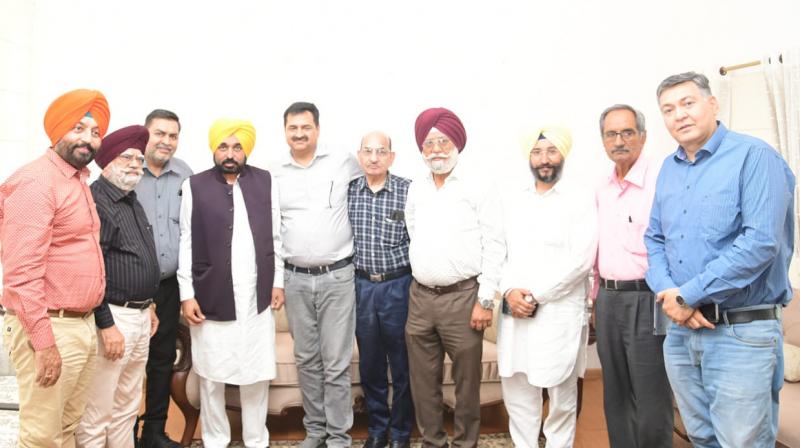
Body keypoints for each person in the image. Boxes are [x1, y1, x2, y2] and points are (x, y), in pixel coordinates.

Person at [645, 71, 795, 447]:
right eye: (668, 109)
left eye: (688, 103)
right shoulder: (668, 169)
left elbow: (760, 243)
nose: (679, 114)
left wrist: (688, 295)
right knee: (701, 438)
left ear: (713, 104)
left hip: (741, 333)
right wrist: (670, 294)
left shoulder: (755, 156)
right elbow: (655, 239)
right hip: (681, 332)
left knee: (741, 442)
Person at [0, 88, 110, 447]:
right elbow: (21, 274)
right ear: (57, 130)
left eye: (95, 132)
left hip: (80, 324)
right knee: (42, 437)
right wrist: (44, 343)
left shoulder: (77, 181)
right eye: (78, 128)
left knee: (66, 429)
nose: (88, 139)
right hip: (49, 326)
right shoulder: (36, 182)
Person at [177, 119, 284, 448]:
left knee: (255, 373)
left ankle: (256, 439)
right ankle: (215, 440)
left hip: (255, 294)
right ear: (214, 149)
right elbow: (186, 242)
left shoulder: (266, 181)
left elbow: (276, 236)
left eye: (237, 147)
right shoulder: (194, 186)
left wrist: (277, 282)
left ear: (246, 150)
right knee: (211, 375)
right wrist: (186, 294)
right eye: (223, 146)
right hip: (210, 293)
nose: (230, 153)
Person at [404, 107, 503, 448]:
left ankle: (465, 444)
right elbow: (413, 232)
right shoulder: (416, 188)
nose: (436, 150)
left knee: (466, 383)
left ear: (457, 144)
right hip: (420, 298)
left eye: (443, 142)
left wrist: (485, 300)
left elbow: (495, 244)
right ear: (421, 148)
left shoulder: (479, 185)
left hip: (463, 298)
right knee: (422, 383)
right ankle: (433, 442)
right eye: (429, 143)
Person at [497, 126, 596, 448]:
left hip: (558, 313)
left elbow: (581, 261)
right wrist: (510, 291)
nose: (544, 159)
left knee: (561, 396)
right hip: (516, 312)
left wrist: (535, 296)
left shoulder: (580, 198)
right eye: (537, 152)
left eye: (552, 151)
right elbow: (499, 250)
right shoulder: (513, 197)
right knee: (518, 391)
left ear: (563, 154)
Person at [273, 102, 361, 448]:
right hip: (294, 279)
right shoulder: (273, 171)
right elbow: (272, 230)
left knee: (336, 362)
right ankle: (315, 431)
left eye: (305, 127)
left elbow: (369, 188)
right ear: (285, 131)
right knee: (307, 360)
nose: (299, 134)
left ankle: (338, 436)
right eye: (292, 128)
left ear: (317, 129)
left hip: (337, 277)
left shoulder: (342, 161)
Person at [75, 125, 161, 447]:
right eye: (127, 158)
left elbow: (137, 257)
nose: (135, 165)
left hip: (140, 317)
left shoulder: (131, 200)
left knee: (127, 408)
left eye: (139, 160)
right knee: (98, 411)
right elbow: (91, 271)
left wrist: (149, 305)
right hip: (114, 318)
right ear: (107, 161)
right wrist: (106, 325)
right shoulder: (96, 201)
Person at [594, 104, 672, 447]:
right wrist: (593, 299)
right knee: (615, 392)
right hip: (607, 299)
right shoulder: (602, 187)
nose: (619, 141)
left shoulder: (661, 180)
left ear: (643, 136)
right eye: (611, 134)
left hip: (648, 298)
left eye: (627, 132)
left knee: (651, 392)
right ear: (603, 140)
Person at [347, 131, 413, 448]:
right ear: (359, 156)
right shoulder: (349, 192)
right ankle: (377, 429)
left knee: (402, 364)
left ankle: (400, 433)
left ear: (391, 156)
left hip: (399, 285)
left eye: (381, 151)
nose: (374, 158)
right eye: (368, 151)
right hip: (361, 286)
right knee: (370, 364)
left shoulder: (408, 191)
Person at [136, 109, 192, 448]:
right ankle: (124, 432)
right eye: (159, 133)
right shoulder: (127, 170)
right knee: (128, 361)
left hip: (170, 286)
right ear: (146, 134)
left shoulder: (185, 175)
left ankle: (153, 432)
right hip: (131, 287)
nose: (166, 141)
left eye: (173, 135)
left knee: (161, 359)